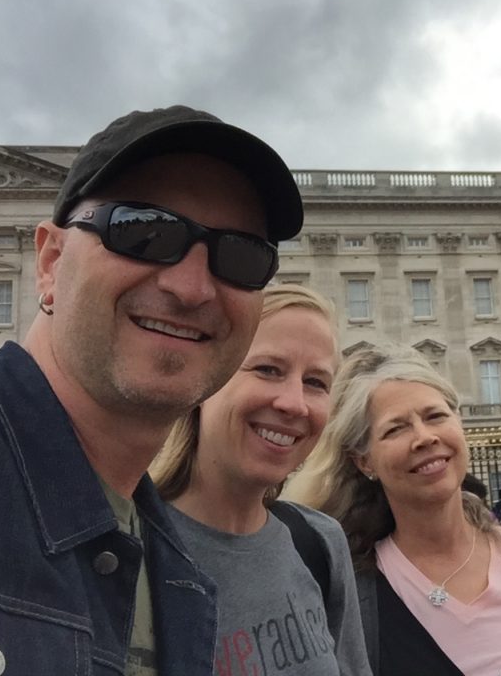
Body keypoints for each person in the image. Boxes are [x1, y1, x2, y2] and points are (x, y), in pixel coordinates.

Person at [0, 105, 304, 673]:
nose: (191, 288)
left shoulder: (180, 573)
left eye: (241, 255)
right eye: (142, 231)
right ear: (50, 261)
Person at [285, 345, 501, 676]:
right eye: (396, 428)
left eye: (435, 416)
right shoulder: (347, 593)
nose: (425, 437)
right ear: (364, 460)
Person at [149, 283, 370, 675]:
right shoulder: (126, 548)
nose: (295, 403)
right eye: (268, 370)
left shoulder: (320, 542)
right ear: (204, 380)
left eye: (316, 382)